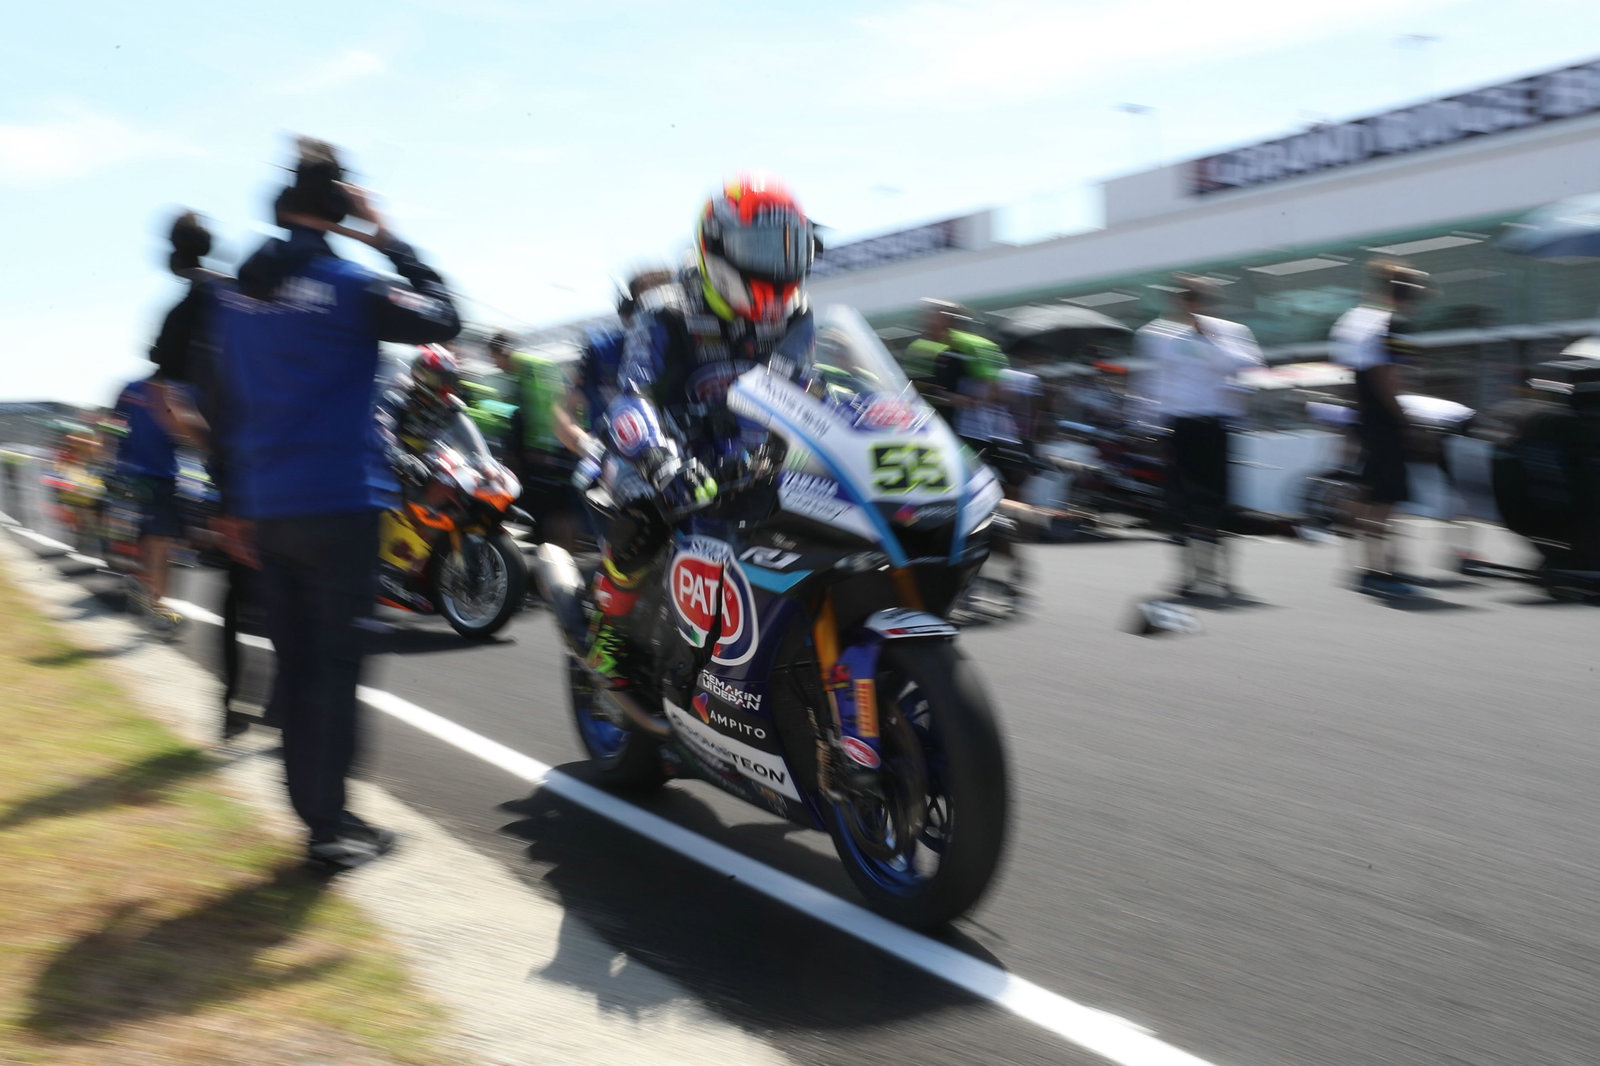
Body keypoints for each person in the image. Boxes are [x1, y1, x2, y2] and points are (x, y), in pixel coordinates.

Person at [214, 137, 460, 872]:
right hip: (343, 506)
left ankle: (322, 816)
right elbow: (445, 317)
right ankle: (329, 828)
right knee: (338, 669)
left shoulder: (236, 296)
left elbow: (223, 403)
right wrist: (389, 241)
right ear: (338, 209)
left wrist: (233, 505)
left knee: (297, 670)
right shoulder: (354, 286)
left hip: (269, 509)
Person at [583, 174, 816, 689]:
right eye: (762, 249)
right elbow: (631, 398)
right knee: (646, 516)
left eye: (790, 249)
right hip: (663, 452)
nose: (779, 267)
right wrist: (664, 461)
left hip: (749, 460)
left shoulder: (797, 318)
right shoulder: (665, 311)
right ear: (714, 248)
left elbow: (811, 391)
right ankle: (605, 632)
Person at [1136, 274, 1265, 598]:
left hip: (1216, 424)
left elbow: (1249, 366)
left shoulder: (1231, 332)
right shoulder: (1157, 335)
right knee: (1181, 503)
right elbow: (1151, 383)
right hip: (1178, 427)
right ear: (1179, 301)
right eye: (1189, 297)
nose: (1194, 304)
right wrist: (1148, 427)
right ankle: (1189, 576)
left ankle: (1220, 576)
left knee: (1217, 502)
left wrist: (1208, 341)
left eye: (1201, 298)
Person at [1329, 259, 1431, 598]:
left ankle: (1375, 566)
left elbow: (1352, 376)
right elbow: (1387, 375)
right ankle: (1378, 570)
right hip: (1383, 421)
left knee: (1370, 495)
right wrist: (1403, 418)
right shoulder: (1394, 323)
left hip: (1364, 418)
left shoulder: (1357, 320)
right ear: (1408, 295)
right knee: (1384, 500)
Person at [110, 367, 195, 634]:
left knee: (155, 543)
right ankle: (155, 605)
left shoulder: (169, 389)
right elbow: (113, 427)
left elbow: (112, 427)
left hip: (153, 476)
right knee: (157, 543)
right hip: (150, 476)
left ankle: (148, 594)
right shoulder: (168, 390)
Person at [487, 331, 583, 547]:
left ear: (503, 351)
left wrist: (540, 447)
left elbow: (542, 407)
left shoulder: (527, 368)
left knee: (544, 496)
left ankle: (550, 541)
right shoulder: (523, 369)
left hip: (546, 446)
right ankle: (542, 535)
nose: (494, 364)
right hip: (545, 444)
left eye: (494, 357)